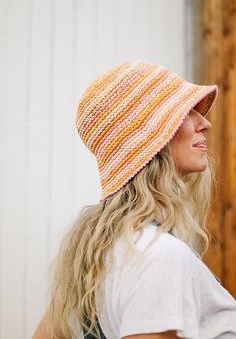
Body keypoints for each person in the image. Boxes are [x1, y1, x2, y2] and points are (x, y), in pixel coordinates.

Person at [32, 60, 236, 339]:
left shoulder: (100, 254)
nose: (205, 122)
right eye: (186, 112)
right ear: (149, 138)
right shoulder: (157, 254)